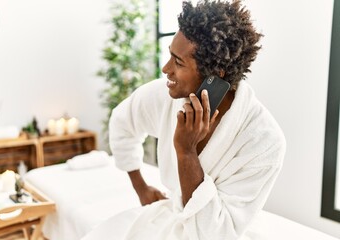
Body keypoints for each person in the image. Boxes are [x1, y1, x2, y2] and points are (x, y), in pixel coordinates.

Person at [83, 0, 286, 239]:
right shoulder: (164, 95)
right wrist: (141, 187)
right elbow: (122, 121)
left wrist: (186, 151)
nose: (165, 69)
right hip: (169, 218)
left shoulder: (264, 141)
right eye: (170, 55)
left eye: (178, 62)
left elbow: (213, 232)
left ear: (215, 74)